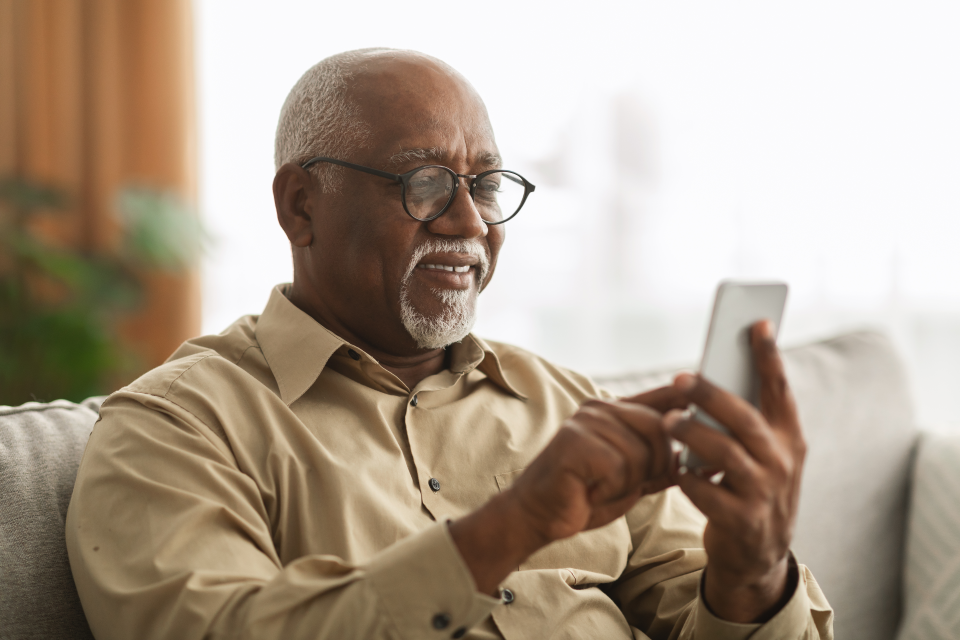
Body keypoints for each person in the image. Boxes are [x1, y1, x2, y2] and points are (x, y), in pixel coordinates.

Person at [66, 48, 833, 639]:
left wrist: (753, 569)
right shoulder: (178, 426)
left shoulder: (570, 406)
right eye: (425, 182)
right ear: (302, 206)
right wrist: (513, 526)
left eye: (488, 184)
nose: (470, 224)